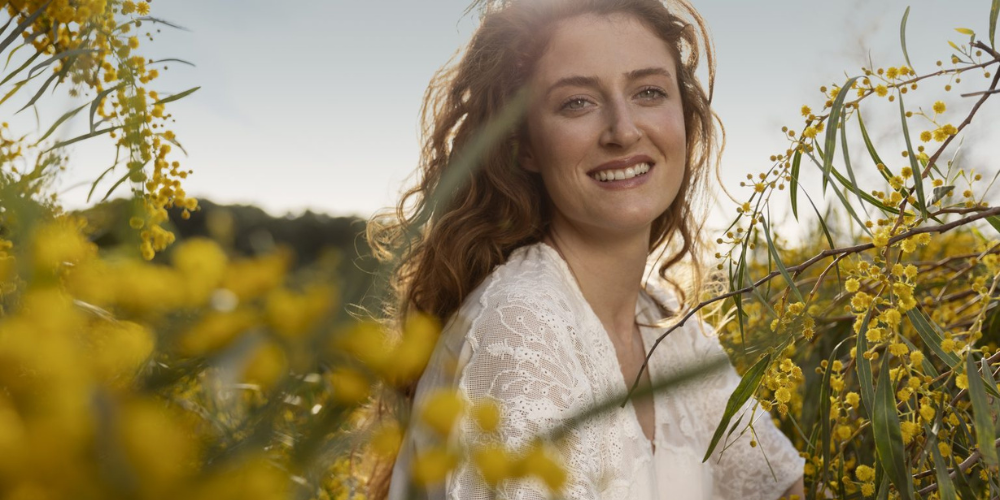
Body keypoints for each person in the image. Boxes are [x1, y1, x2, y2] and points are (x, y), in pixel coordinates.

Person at [366, 0, 806, 498]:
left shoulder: (668, 328)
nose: (623, 130)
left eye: (648, 92)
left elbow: (781, 488)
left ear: (684, 116)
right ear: (524, 145)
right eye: (577, 102)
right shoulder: (520, 327)